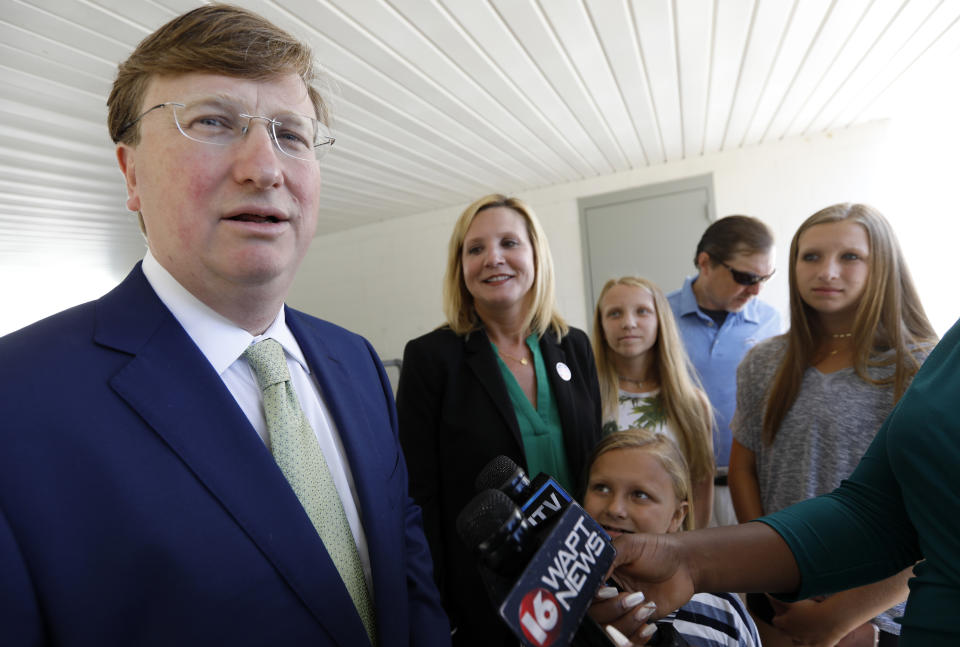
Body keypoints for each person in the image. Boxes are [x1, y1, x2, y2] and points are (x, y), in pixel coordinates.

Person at [0, 5, 448, 646]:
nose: (264, 168)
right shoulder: (16, 402)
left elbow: (409, 583)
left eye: (290, 134)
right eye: (213, 122)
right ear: (131, 174)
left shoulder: (358, 364)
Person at [396, 194, 602, 646]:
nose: (493, 258)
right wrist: (436, 606)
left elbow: (595, 464)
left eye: (509, 242)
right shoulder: (432, 359)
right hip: (490, 598)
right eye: (475, 249)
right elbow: (418, 497)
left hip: (583, 576)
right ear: (461, 267)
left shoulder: (575, 346)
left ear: (535, 255)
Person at [728, 203, 937, 646]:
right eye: (811, 256)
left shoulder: (920, 367)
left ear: (881, 265)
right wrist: (768, 577)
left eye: (849, 257)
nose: (826, 271)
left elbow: (938, 518)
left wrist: (845, 614)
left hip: (879, 612)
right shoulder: (762, 362)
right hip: (780, 601)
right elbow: (744, 469)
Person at [584, 429, 760, 647]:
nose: (615, 509)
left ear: (677, 516)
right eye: (601, 488)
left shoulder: (722, 611)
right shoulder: (556, 595)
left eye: (640, 495)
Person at [667, 215, 781, 527]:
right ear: (705, 263)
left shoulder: (771, 321)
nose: (756, 291)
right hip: (678, 489)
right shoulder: (659, 315)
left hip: (751, 486)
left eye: (765, 279)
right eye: (746, 278)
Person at [592, 276, 715, 529]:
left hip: (671, 545)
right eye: (614, 314)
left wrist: (694, 546)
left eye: (642, 312)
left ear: (661, 321)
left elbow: (700, 484)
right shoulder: (588, 397)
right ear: (601, 326)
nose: (628, 323)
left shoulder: (691, 402)